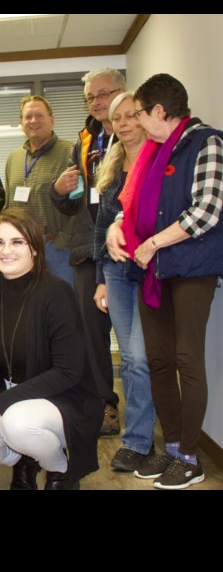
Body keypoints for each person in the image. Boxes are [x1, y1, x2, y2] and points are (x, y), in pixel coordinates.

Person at [106, 74, 223, 489]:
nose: (133, 121)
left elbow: (206, 212)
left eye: (138, 112)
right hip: (151, 270)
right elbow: (133, 203)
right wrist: (115, 228)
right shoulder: (153, 152)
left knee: (187, 360)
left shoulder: (207, 142)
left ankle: (191, 456)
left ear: (158, 111)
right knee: (157, 360)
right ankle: (172, 448)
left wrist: (152, 243)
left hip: (191, 269)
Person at [0, 208, 102, 490]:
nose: (5, 250)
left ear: (34, 248)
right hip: (7, 399)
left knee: (17, 423)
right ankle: (24, 457)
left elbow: (67, 372)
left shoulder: (57, 293)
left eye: (17, 242)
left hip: (61, 399)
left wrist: (1, 404)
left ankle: (59, 468)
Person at [50, 68, 127, 437]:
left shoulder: (134, 135)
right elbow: (73, 205)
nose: (97, 102)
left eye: (103, 94)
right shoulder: (86, 140)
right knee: (92, 337)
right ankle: (104, 407)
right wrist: (60, 192)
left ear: (123, 92)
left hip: (128, 251)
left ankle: (145, 416)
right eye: (91, 97)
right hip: (87, 252)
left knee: (134, 342)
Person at [92, 91, 156, 472]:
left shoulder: (161, 160)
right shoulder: (111, 165)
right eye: (119, 119)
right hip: (115, 271)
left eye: (133, 116)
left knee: (140, 358)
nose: (126, 123)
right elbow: (103, 225)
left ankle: (139, 439)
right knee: (131, 358)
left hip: (149, 269)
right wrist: (100, 279)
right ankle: (138, 439)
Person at [3, 96, 77, 286]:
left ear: (52, 119)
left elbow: (80, 205)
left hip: (57, 248)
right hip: (21, 248)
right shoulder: (14, 158)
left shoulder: (71, 152)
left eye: (39, 115)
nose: (33, 121)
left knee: (61, 306)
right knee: (28, 307)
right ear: (21, 123)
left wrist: (61, 242)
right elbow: (8, 206)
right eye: (28, 117)